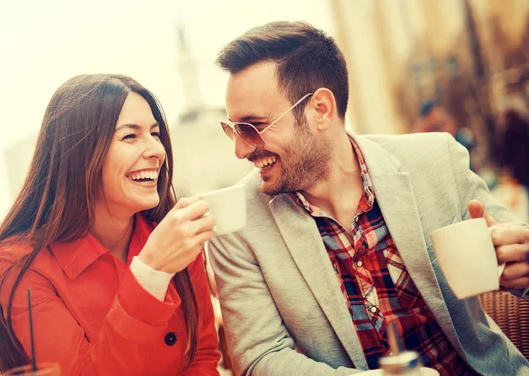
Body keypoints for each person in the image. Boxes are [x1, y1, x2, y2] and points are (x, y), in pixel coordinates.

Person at [208, 21, 529, 375]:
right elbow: (259, 360)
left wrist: (521, 263)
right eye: (234, 129)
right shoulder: (236, 228)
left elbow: (515, 246)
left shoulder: (437, 161)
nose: (240, 149)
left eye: (253, 127)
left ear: (320, 110)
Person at [0, 74, 221, 375]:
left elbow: (202, 357)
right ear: (80, 155)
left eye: (155, 134)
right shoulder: (21, 261)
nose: (157, 151)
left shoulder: (172, 232)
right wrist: (151, 273)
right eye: (130, 136)